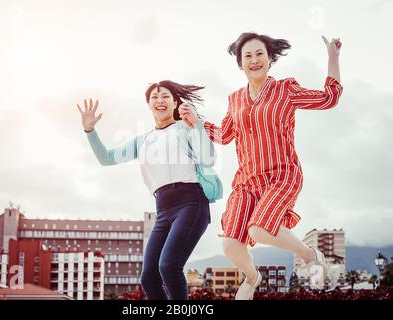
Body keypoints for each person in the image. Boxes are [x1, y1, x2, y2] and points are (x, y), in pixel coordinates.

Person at [180, 32, 343, 299]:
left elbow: (329, 98)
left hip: (282, 174)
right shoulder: (235, 99)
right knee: (231, 244)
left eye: (260, 54)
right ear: (240, 63)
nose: (254, 60)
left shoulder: (285, 90)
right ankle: (252, 277)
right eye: (248, 56)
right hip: (247, 180)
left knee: (260, 230)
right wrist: (197, 122)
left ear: (269, 59)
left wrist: (333, 57)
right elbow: (225, 135)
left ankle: (310, 254)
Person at [76, 80, 220, 300]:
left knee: (169, 266)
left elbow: (209, 157)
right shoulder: (142, 141)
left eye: (165, 96)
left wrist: (197, 125)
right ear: (148, 104)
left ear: (174, 103)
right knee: (149, 278)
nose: (160, 100)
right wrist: (89, 130)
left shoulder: (185, 128)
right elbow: (106, 158)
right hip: (163, 210)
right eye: (154, 97)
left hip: (191, 203)